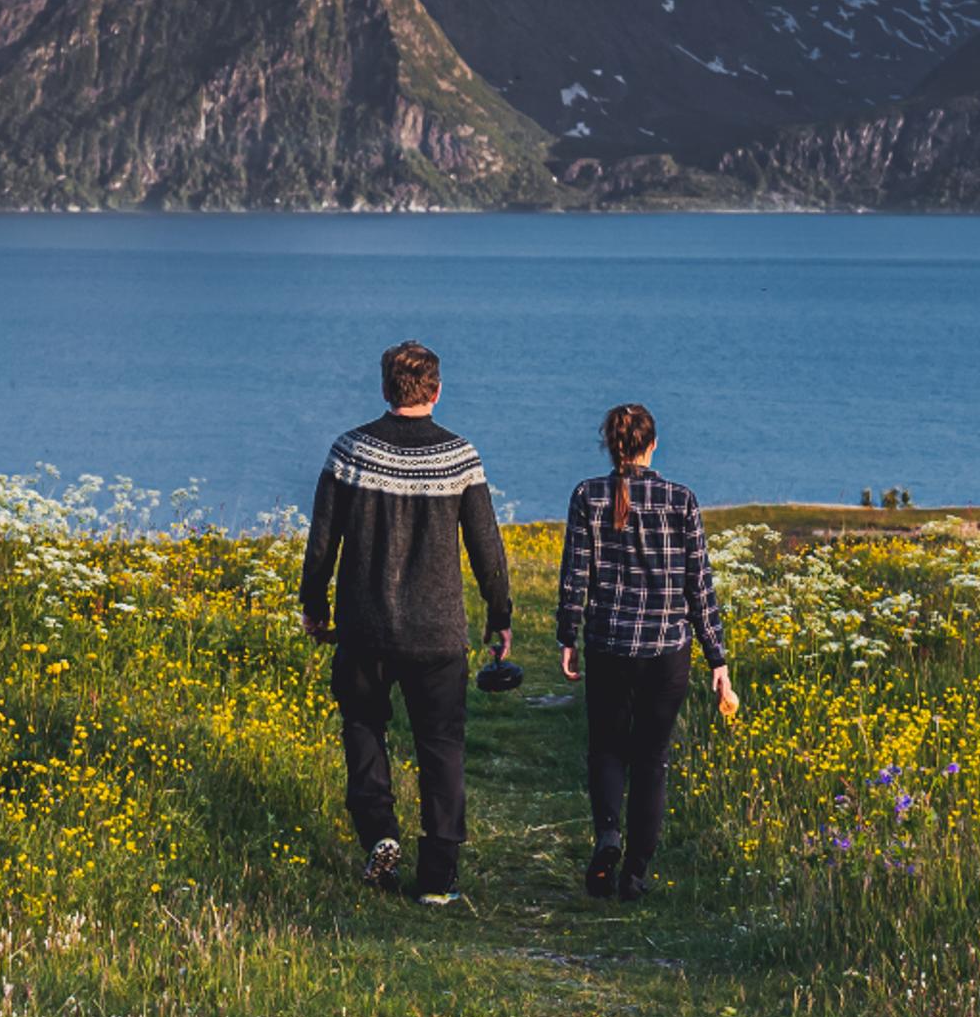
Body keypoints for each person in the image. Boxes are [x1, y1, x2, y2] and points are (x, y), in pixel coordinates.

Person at [301, 340, 513, 900]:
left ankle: (379, 831)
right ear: (436, 391)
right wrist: (501, 613)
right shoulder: (460, 456)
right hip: (438, 630)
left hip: (365, 625)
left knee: (363, 726)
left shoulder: (350, 451)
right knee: (440, 745)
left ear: (385, 388)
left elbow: (322, 541)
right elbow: (486, 545)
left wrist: (314, 604)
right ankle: (437, 876)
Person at [553, 402, 739, 901]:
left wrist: (567, 636)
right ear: (652, 444)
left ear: (610, 445)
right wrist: (717, 659)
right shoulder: (681, 500)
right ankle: (634, 873)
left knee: (607, 747)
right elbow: (700, 588)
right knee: (651, 757)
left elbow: (576, 575)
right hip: (667, 649)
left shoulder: (586, 496)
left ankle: (608, 834)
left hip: (609, 643)